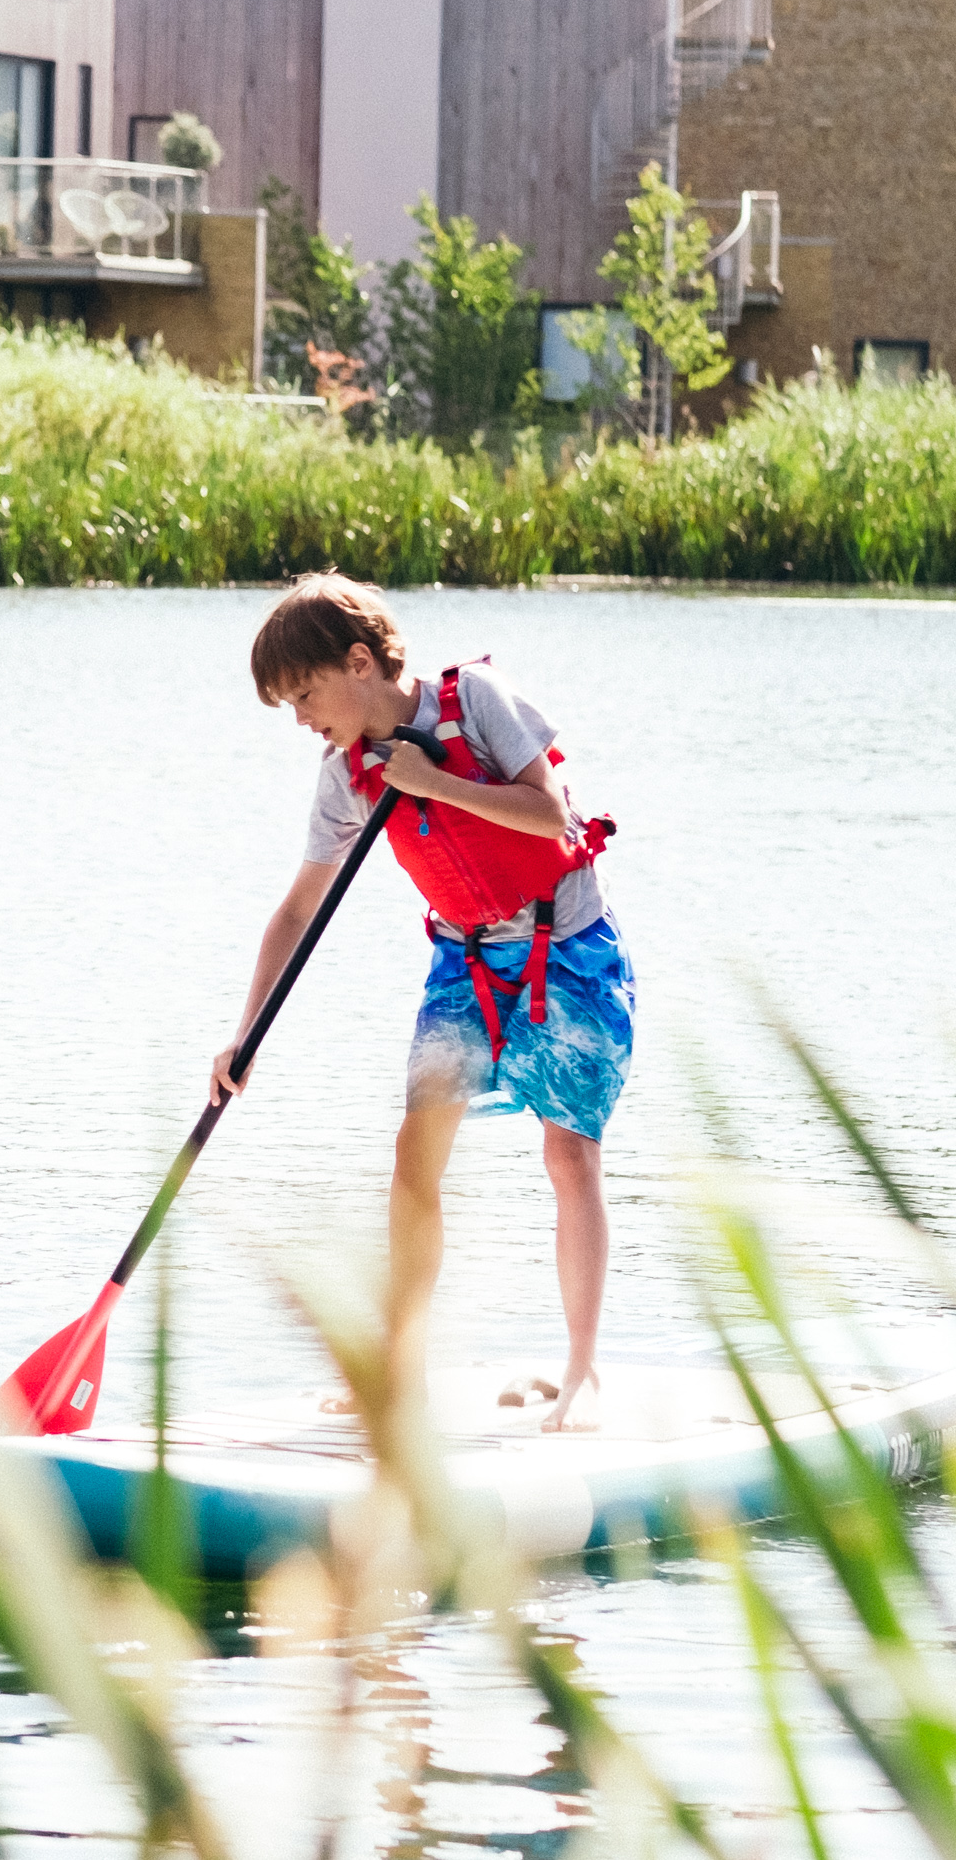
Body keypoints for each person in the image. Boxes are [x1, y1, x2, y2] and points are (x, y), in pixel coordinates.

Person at [218, 573, 629, 1431]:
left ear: (359, 661)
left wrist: (433, 782)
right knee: (414, 1157)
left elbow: (548, 816)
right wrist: (244, 1035)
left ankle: (581, 1371)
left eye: (304, 695)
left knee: (568, 1156)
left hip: (568, 953)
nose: (299, 719)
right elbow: (296, 910)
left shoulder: (476, 698)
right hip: (465, 961)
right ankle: (396, 1372)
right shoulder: (346, 777)